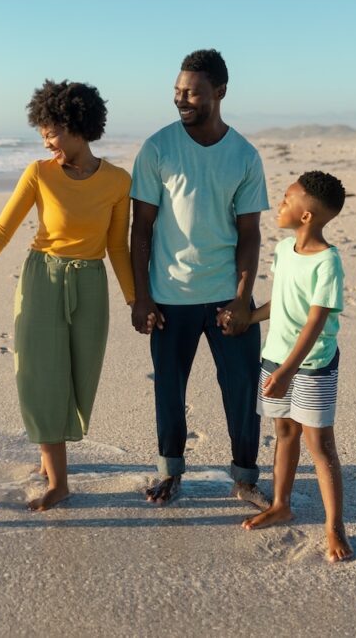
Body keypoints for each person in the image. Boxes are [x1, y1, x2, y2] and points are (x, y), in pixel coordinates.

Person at [0, 80, 135, 511]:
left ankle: (48, 454)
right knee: (39, 375)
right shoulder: (38, 173)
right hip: (41, 281)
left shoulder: (118, 181)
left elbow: (118, 247)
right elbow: (1, 230)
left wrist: (133, 300)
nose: (46, 140)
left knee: (77, 377)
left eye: (50, 131)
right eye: (42, 133)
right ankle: (60, 479)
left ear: (75, 126)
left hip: (89, 283)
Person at [130, 49, 269, 506]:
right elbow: (141, 228)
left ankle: (245, 477)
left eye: (192, 92)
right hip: (170, 295)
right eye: (176, 91)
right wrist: (142, 297)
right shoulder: (157, 148)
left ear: (220, 93)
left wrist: (243, 298)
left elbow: (250, 233)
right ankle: (169, 471)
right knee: (169, 387)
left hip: (226, 296)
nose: (181, 99)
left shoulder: (244, 155)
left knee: (243, 389)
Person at [235, 171, 353, 562]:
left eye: (287, 199)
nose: (280, 204)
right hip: (275, 356)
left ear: (307, 215)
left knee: (320, 446)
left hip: (311, 365)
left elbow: (315, 320)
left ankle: (334, 527)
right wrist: (248, 319)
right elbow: (283, 302)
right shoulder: (284, 250)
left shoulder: (328, 262)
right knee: (285, 431)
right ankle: (281, 503)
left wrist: (287, 371)